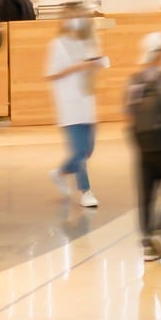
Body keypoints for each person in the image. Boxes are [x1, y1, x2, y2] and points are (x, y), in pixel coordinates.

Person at [46, 12, 112, 208]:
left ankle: (59, 173)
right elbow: (52, 74)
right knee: (80, 152)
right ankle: (86, 191)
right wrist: (78, 66)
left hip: (87, 104)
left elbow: (93, 67)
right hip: (69, 106)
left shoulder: (90, 43)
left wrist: (97, 63)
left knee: (88, 150)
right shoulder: (57, 45)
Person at [125, 32, 161, 262]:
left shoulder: (134, 81)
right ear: (160, 54)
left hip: (143, 147)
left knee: (146, 195)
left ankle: (148, 244)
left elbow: (129, 114)